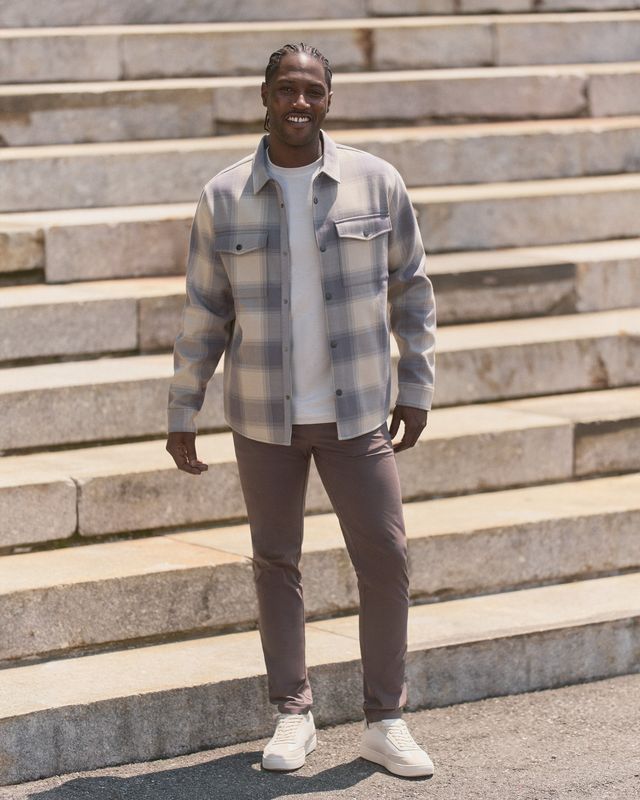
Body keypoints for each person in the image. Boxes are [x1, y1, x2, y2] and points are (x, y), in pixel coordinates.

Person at [166, 43, 436, 779]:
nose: (299, 103)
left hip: (358, 415)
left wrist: (416, 386)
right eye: (286, 89)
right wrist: (183, 406)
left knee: (385, 559)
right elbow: (204, 311)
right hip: (264, 417)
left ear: (328, 100)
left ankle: (385, 720)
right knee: (275, 561)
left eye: (312, 91)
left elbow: (411, 290)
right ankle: (294, 713)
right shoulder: (224, 195)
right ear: (265, 95)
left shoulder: (376, 182)